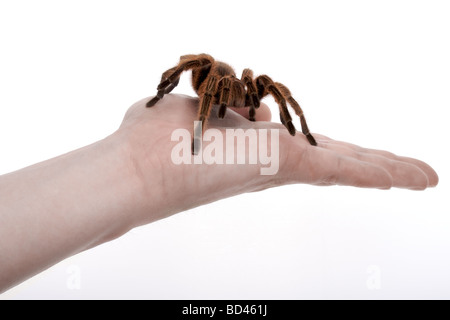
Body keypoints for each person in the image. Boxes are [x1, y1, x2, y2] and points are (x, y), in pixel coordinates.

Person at [0, 94, 438, 293]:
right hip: (208, 87)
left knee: (265, 87)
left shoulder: (252, 91)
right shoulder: (209, 77)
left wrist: (294, 129)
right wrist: (135, 163)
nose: (251, 108)